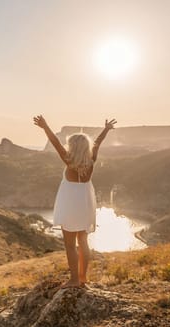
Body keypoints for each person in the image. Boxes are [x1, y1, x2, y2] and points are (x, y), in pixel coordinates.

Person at [33, 115, 117, 288]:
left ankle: (73, 280)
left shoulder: (68, 160)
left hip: (70, 204)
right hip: (86, 202)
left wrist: (45, 126)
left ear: (72, 147)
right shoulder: (91, 160)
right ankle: (83, 277)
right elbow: (97, 143)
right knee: (83, 242)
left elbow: (55, 142)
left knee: (70, 245)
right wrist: (106, 129)